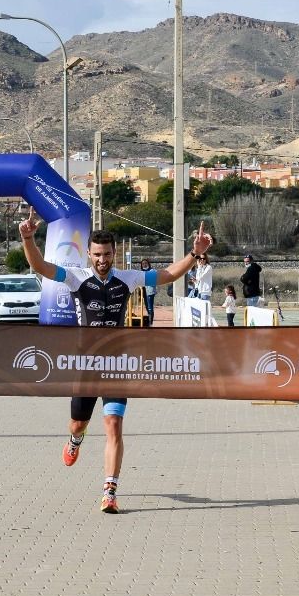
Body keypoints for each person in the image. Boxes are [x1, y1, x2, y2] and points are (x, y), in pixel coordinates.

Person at [19, 210, 213, 513]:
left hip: (116, 366)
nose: (102, 260)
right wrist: (28, 238)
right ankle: (75, 440)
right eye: (97, 254)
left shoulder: (127, 278)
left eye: (107, 254)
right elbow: (40, 266)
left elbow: (167, 275)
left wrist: (194, 254)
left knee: (113, 424)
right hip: (86, 366)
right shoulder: (76, 277)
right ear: (88, 254)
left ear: (114, 253)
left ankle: (109, 491)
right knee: (78, 423)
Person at [138, 257, 157, 325]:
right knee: (146, 306)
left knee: (150, 307)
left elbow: (152, 280)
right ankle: (149, 320)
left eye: (145, 263)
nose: (144, 265)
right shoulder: (141, 272)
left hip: (150, 291)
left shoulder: (152, 271)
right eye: (143, 264)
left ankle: (150, 322)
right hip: (143, 291)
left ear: (148, 264)